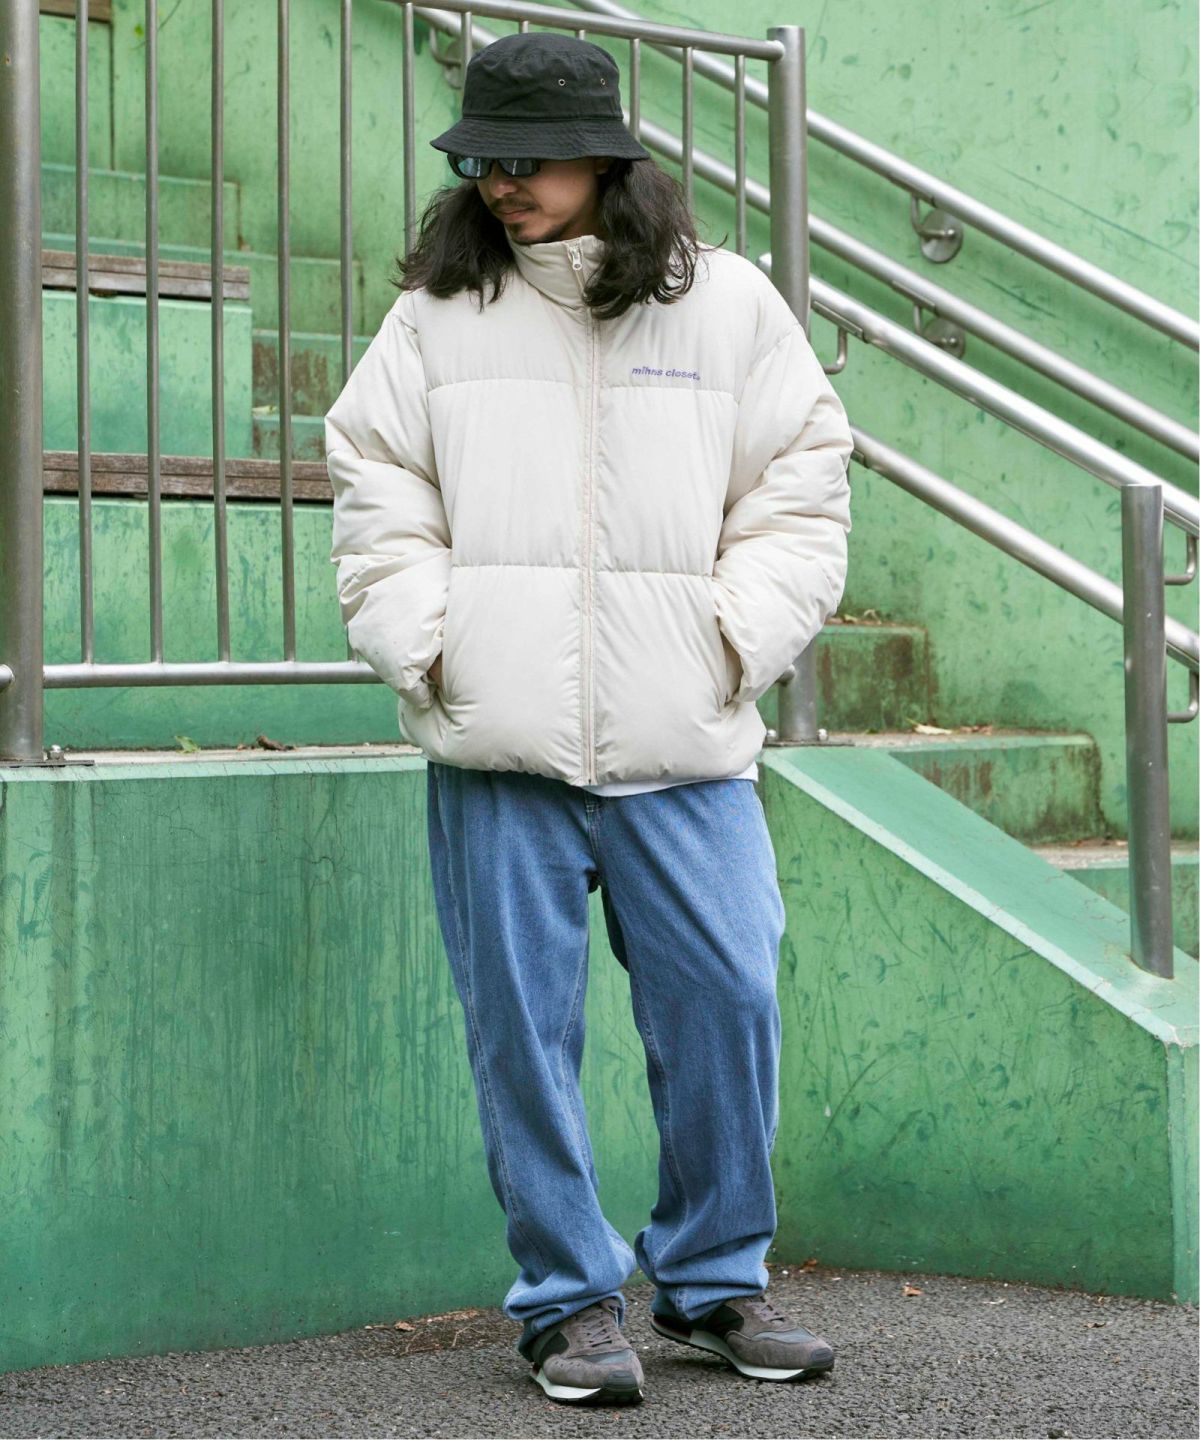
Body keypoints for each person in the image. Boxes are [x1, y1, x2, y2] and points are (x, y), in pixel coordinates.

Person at [325, 29, 853, 1408]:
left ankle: (714, 1281)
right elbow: (376, 481)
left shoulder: (725, 304)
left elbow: (802, 483)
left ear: (606, 161)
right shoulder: (437, 317)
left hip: (684, 742)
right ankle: (567, 1304)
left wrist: (733, 639)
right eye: (482, 161)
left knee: (730, 999)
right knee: (523, 1032)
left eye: (530, 159)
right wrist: (427, 645)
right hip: (499, 744)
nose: (502, 183)